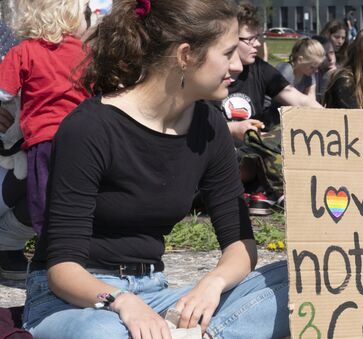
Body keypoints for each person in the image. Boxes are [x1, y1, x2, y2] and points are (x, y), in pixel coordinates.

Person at [22, 0, 289, 338]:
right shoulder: (89, 128)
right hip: (80, 301)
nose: (236, 66)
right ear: (186, 55)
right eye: (228, 52)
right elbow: (62, 270)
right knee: (101, 333)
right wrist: (122, 301)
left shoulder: (210, 126)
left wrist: (212, 283)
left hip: (157, 293)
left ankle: (199, 334)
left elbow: (240, 244)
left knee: (297, 284)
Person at [0, 0, 91, 237]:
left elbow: (4, 92)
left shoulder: (23, 51)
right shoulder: (86, 52)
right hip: (83, 137)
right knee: (79, 193)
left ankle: (48, 245)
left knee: (42, 197)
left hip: (44, 138)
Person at [220, 3, 321, 141]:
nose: (257, 44)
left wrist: (332, 118)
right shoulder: (208, 74)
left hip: (252, 153)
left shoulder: (259, 68)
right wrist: (232, 129)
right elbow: (195, 125)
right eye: (250, 39)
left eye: (257, 37)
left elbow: (298, 99)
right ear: (229, 40)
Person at [311, 35, 337, 103]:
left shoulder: (340, 74)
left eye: (331, 53)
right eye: (324, 54)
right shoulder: (310, 74)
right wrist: (325, 80)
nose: (330, 59)